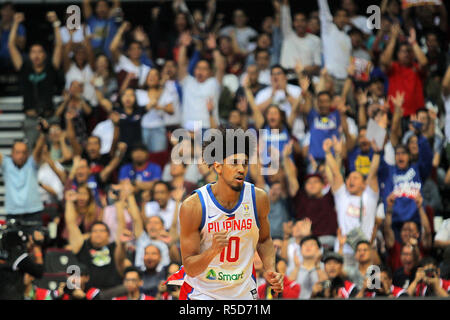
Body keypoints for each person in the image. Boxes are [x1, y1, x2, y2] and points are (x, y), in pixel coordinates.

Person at [178, 127, 283, 299]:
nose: (241, 169)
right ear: (218, 167)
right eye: (234, 163)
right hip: (203, 293)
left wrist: (270, 268)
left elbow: (264, 240)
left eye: (245, 163)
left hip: (243, 291)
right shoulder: (194, 206)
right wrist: (212, 251)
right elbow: (189, 267)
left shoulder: (258, 198)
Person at [323, 137, 380, 269]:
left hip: (368, 250)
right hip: (345, 251)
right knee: (345, 287)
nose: (350, 180)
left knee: (372, 286)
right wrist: (327, 152)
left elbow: (373, 174)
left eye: (355, 178)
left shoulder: (369, 197)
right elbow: (336, 174)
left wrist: (377, 153)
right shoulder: (342, 197)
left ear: (364, 184)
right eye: (348, 178)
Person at [8, 11, 63, 148]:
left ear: (45, 55)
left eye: (40, 52)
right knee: (33, 155)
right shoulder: (24, 67)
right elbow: (11, 46)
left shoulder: (51, 67)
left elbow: (59, 46)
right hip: (31, 119)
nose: (36, 55)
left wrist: (56, 23)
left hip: (50, 118)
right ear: (29, 55)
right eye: (33, 52)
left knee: (54, 152)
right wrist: (15, 24)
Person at [65, 190, 129, 291]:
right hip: (88, 293)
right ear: (90, 234)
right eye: (95, 231)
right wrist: (69, 201)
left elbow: (121, 225)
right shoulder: (82, 246)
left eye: (102, 231)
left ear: (108, 234)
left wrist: (118, 204)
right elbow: (71, 224)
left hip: (111, 292)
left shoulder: (115, 247)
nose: (98, 233)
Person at [1, 121, 47, 224]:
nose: (21, 156)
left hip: (34, 211)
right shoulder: (6, 164)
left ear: (28, 154)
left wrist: (43, 133)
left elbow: (38, 148)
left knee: (36, 240)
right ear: (12, 153)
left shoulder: (32, 163)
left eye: (24, 152)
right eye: (17, 152)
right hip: (13, 212)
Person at [177, 32, 225, 130]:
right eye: (198, 68)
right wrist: (184, 46)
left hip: (208, 127)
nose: (200, 71)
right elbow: (181, 64)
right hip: (188, 127)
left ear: (210, 72)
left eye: (204, 69)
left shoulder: (213, 83)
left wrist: (214, 48)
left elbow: (220, 67)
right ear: (194, 70)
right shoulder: (187, 82)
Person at [317, 0, 352, 93]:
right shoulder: (328, 29)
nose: (342, 19)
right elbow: (324, 11)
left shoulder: (347, 38)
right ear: (334, 18)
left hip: (345, 79)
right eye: (339, 16)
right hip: (331, 78)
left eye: (344, 16)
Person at [279, 0, 321, 76]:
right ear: (293, 23)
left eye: (302, 21)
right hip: (287, 76)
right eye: (297, 21)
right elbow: (285, 19)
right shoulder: (288, 36)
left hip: (306, 77)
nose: (299, 24)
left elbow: (317, 65)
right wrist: (285, 4)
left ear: (307, 23)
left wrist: (302, 70)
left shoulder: (315, 40)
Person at [288, 235, 324, 299]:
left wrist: (317, 265)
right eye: (305, 244)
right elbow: (288, 288)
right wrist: (297, 267)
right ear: (300, 250)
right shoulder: (293, 268)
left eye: (312, 244)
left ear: (319, 249)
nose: (308, 247)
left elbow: (326, 287)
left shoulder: (324, 267)